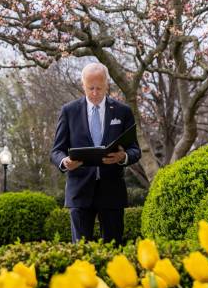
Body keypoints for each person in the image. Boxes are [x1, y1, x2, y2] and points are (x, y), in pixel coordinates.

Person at [50, 63, 141, 244]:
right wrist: (65, 162)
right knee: (81, 250)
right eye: (90, 88)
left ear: (107, 84)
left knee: (114, 250)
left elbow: (135, 150)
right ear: (83, 85)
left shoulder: (123, 112)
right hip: (79, 191)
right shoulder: (69, 111)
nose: (94, 92)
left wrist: (123, 157)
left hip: (112, 191)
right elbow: (56, 151)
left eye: (99, 88)